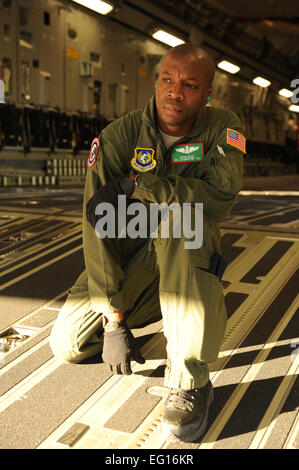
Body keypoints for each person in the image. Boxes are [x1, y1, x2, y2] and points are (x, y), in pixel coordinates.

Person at [50, 43, 245, 442]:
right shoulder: (118, 138)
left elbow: (221, 198)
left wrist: (144, 186)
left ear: (206, 94)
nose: (176, 92)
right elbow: (96, 225)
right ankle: (162, 312)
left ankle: (191, 382)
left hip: (186, 249)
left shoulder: (225, 128)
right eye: (168, 80)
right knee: (68, 345)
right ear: (157, 82)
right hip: (134, 258)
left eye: (190, 85)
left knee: (182, 218)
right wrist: (113, 318)